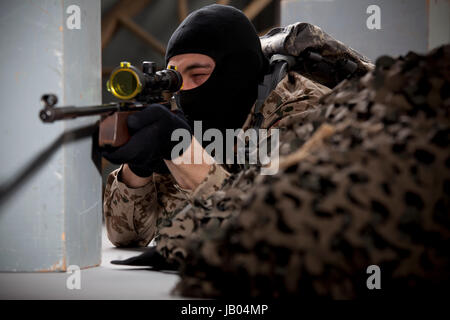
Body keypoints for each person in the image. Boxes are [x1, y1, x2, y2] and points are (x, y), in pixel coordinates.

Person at [101, 4, 354, 248]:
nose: (185, 90)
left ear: (236, 70)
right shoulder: (193, 120)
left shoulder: (302, 109)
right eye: (176, 78)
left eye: (198, 75)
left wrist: (185, 155)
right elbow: (125, 236)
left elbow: (275, 229)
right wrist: (138, 170)